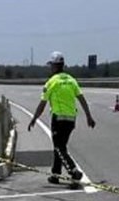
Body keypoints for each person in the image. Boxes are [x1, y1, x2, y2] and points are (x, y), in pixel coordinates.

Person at [27, 51, 96, 187]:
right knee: (60, 146)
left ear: (54, 66)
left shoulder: (51, 82)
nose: (50, 68)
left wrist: (34, 118)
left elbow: (42, 104)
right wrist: (89, 116)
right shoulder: (71, 80)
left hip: (58, 119)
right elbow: (82, 99)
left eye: (51, 65)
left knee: (59, 147)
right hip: (71, 119)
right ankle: (55, 174)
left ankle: (74, 171)